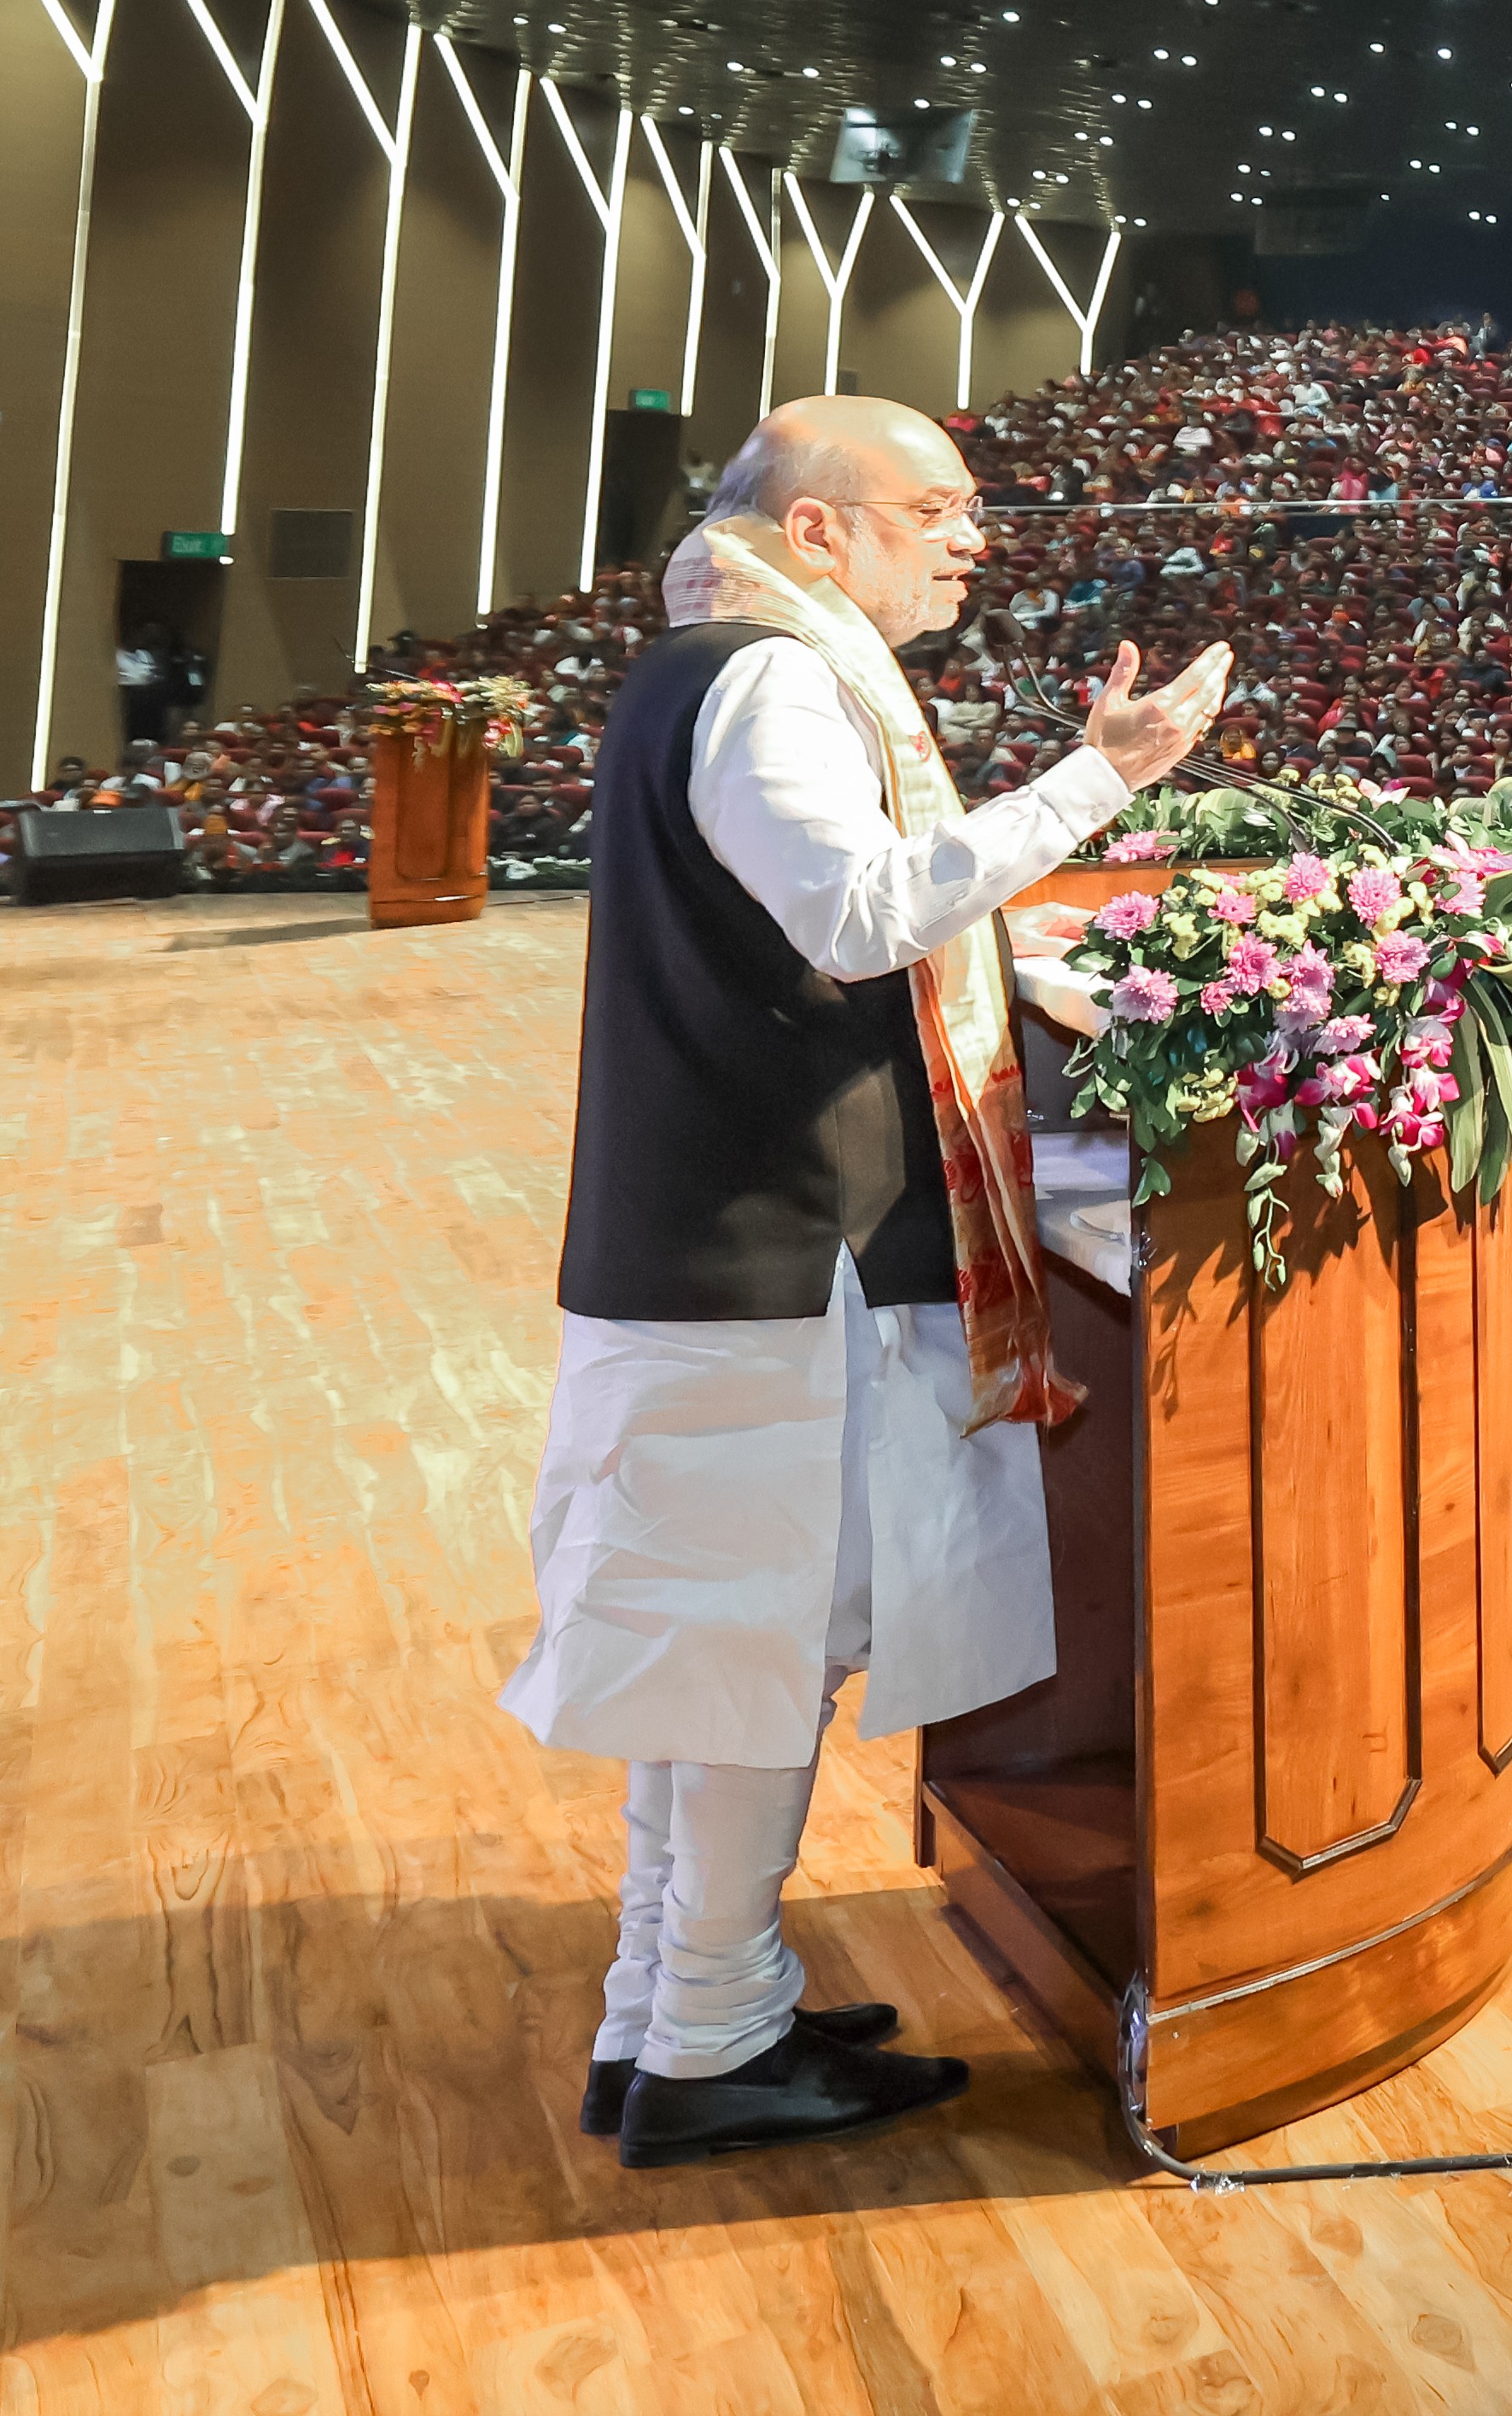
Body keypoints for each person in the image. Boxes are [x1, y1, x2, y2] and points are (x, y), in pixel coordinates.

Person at [508, 396, 1229, 2164]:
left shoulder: (726, 657)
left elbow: (836, 915)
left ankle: (670, 2008)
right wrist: (1100, 779)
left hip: (724, 1245)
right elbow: (852, 913)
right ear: (816, 531)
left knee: (715, 1653)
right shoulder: (765, 673)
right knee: (754, 1649)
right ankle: (709, 2036)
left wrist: (1005, 944)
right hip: (768, 1251)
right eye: (932, 505)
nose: (968, 534)